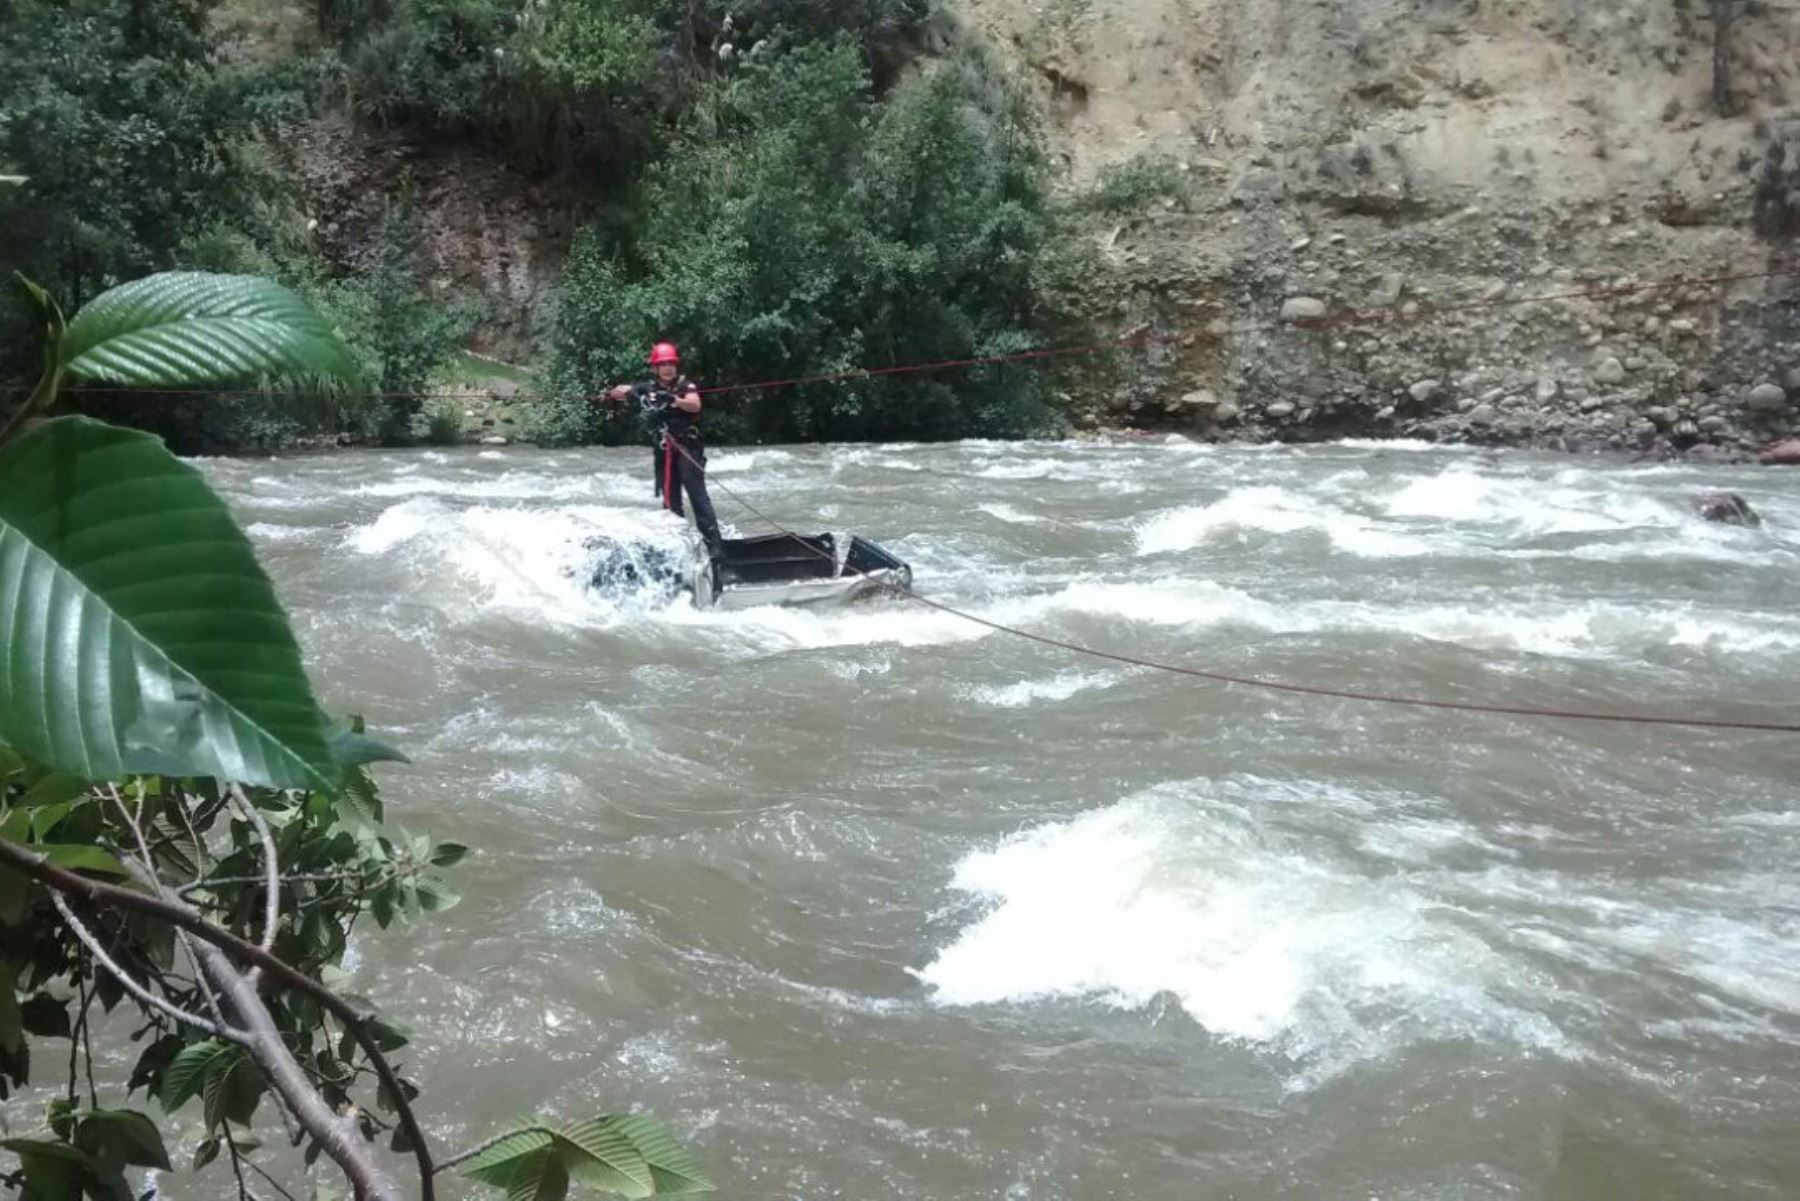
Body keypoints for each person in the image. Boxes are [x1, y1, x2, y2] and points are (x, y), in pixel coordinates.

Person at [602, 341, 724, 556]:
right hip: (664, 451)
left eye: (671, 364)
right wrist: (616, 394)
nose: (668, 368)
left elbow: (695, 404)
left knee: (697, 496)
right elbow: (622, 391)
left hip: (687, 448)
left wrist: (673, 400)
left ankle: (715, 549)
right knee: (670, 501)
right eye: (663, 364)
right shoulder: (648, 388)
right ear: (655, 368)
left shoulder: (686, 386)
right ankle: (679, 547)